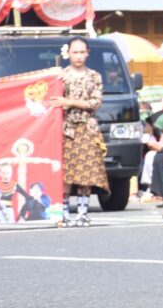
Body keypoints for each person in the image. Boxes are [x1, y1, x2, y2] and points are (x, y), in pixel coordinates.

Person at [50, 37, 109, 227]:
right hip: (65, 129)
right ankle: (64, 212)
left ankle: (83, 212)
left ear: (88, 53)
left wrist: (70, 102)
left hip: (88, 128)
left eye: (82, 52)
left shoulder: (95, 76)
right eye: (75, 52)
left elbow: (95, 103)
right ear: (68, 53)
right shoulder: (60, 76)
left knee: (87, 171)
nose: (78, 56)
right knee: (66, 173)